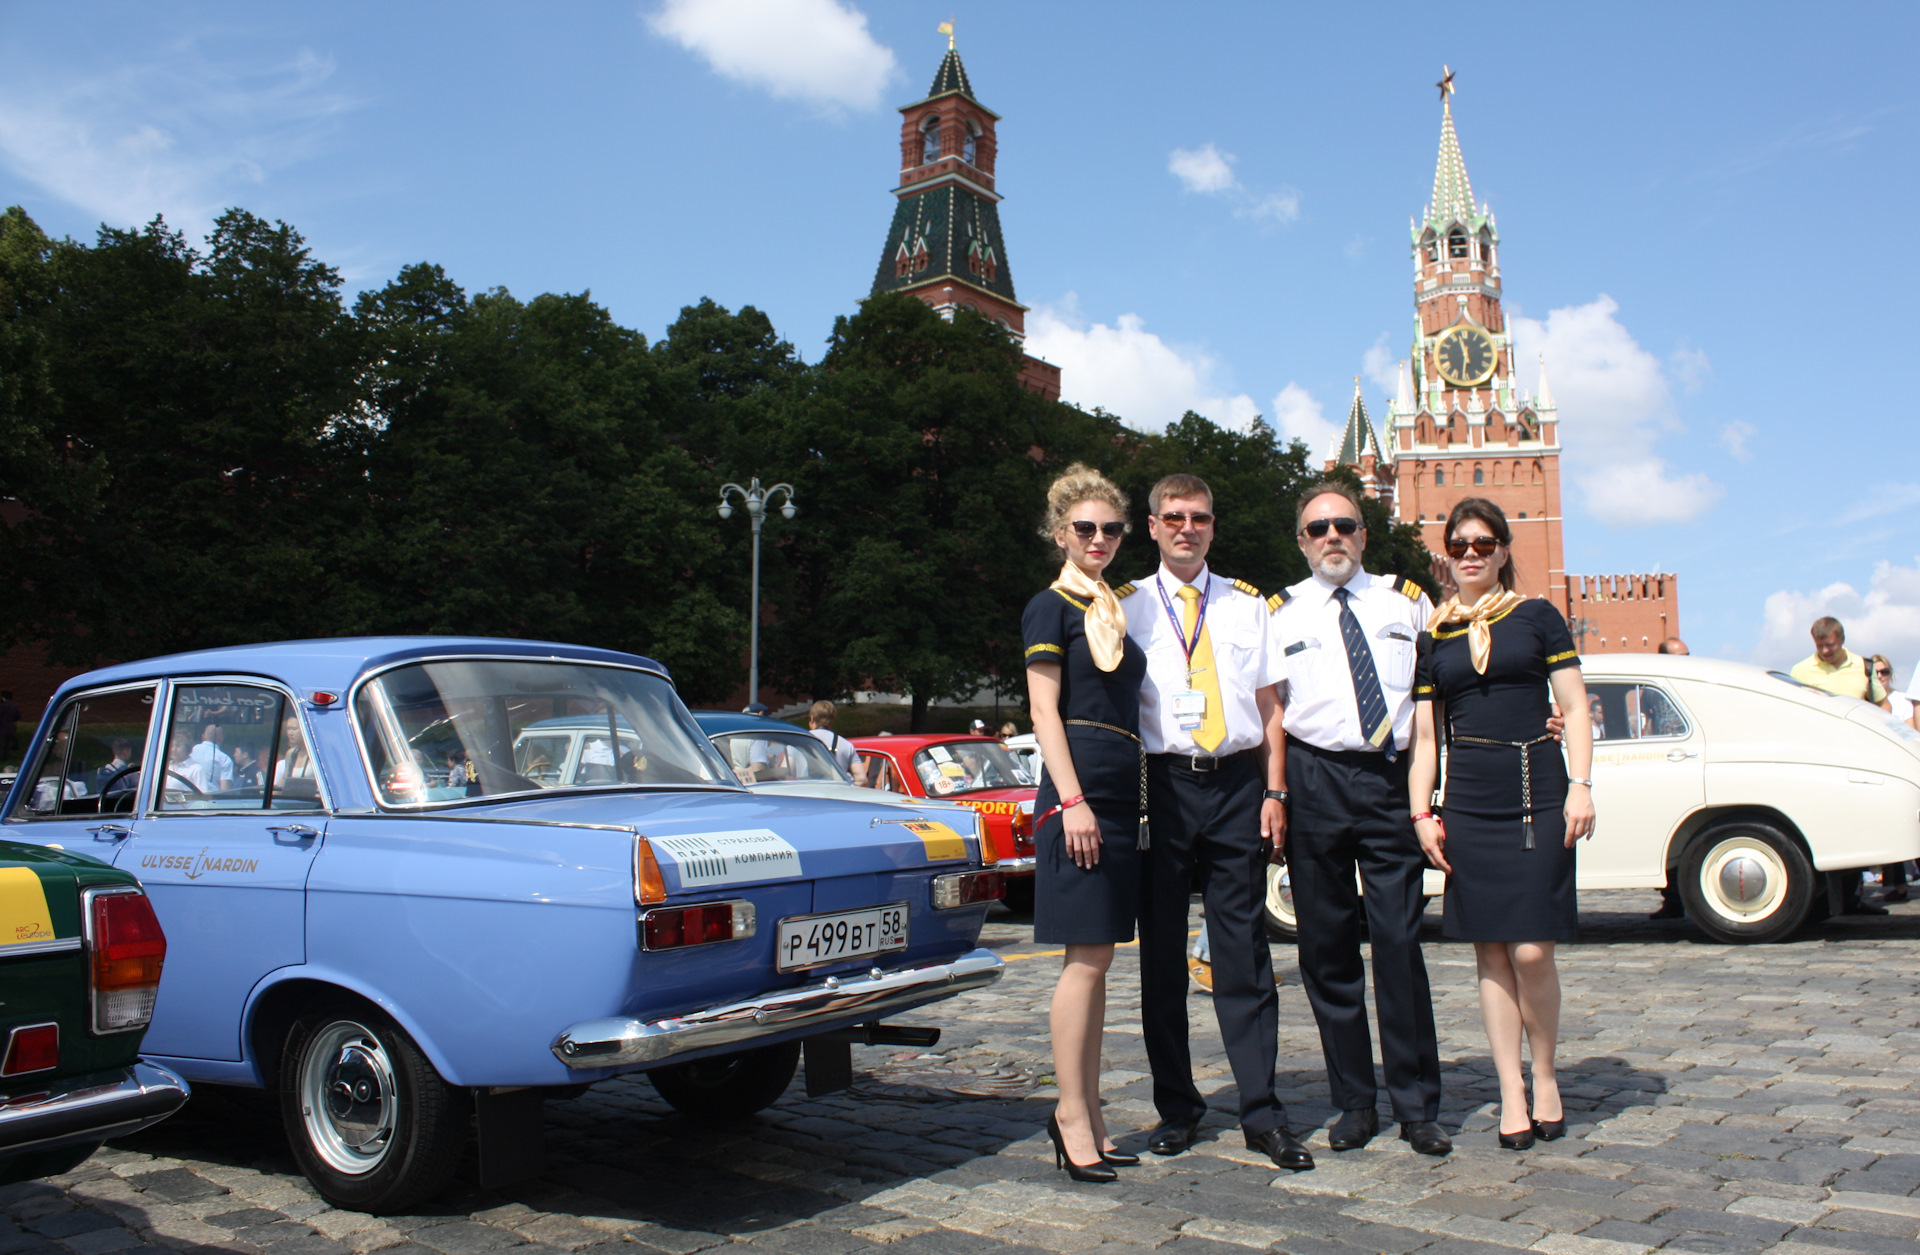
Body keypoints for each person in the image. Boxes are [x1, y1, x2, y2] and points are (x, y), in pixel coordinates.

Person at [1118, 473, 1311, 1171]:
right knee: (1163, 956)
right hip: (1162, 789)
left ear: (1213, 526)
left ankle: (1262, 1112)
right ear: (1151, 524)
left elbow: (1269, 709)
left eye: (1199, 517)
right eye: (1174, 516)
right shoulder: (1127, 605)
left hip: (1234, 786)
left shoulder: (1246, 605)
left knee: (1244, 953)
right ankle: (1178, 1107)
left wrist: (1275, 790)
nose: (1186, 527)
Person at [1408, 498, 1595, 1151]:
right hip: (1469, 799)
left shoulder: (1538, 616)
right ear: (1445, 553)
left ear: (1504, 549)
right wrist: (1422, 811)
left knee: (1531, 948)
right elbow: (1427, 735)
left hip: (1538, 788)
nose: (1470, 553)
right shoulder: (1435, 635)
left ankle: (1545, 1074)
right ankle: (1510, 1089)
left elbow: (1573, 706)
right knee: (1489, 949)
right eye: (1459, 543)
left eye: (1483, 542)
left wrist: (1581, 785)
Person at [1271, 481, 1450, 1156]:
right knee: (1326, 951)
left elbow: (1442, 694)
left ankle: (1417, 1104)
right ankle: (1354, 1101)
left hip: (1387, 778)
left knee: (1400, 945)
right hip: (1315, 778)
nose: (1332, 537)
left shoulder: (1407, 601)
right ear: (1302, 540)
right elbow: (1272, 718)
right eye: (1318, 528)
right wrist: (1278, 793)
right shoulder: (1279, 613)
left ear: (1365, 534)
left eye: (1344, 524)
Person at [1021, 464, 1150, 1183]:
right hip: (1079, 795)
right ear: (1060, 532)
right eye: (1085, 528)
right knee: (1085, 960)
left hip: (1118, 788)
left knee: (1099, 961)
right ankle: (1070, 1114)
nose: (1099, 538)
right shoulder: (1053, 606)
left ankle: (1090, 1111)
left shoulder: (1112, 608)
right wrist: (1072, 802)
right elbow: (1045, 712)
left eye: (1111, 529)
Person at [1649, 637, 1690, 920]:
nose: (1685, 662)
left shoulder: (1691, 684)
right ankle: (1672, 898)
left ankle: (1679, 896)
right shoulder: (1654, 687)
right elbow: (1650, 721)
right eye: (1679, 656)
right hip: (1664, 762)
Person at [1868, 657, 1910, 902]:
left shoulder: (1902, 700)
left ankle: (1899, 884)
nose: (1880, 675)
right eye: (1875, 672)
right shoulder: (1865, 699)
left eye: (1884, 671)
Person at [1790, 617, 1889, 710]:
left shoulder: (1864, 666)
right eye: (1819, 646)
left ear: (1842, 639)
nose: (1825, 651)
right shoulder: (1800, 671)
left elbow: (1883, 704)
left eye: (1830, 645)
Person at [808, 701, 867, 785]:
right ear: (832, 721)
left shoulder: (800, 742)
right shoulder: (846, 745)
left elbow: (785, 772)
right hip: (835, 793)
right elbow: (862, 779)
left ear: (812, 719)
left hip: (808, 794)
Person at [190, 725, 234, 792]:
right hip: (212, 799)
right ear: (221, 739)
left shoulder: (190, 751)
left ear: (203, 736)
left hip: (189, 797)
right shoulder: (224, 759)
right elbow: (225, 790)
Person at [0, 690, 20, 763]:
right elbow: (17, 717)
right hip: (11, 728)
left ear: (3, 697)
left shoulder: (2, 706)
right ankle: (7, 759)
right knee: (8, 745)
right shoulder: (14, 706)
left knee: (2, 745)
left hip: (2, 728)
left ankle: (2, 759)